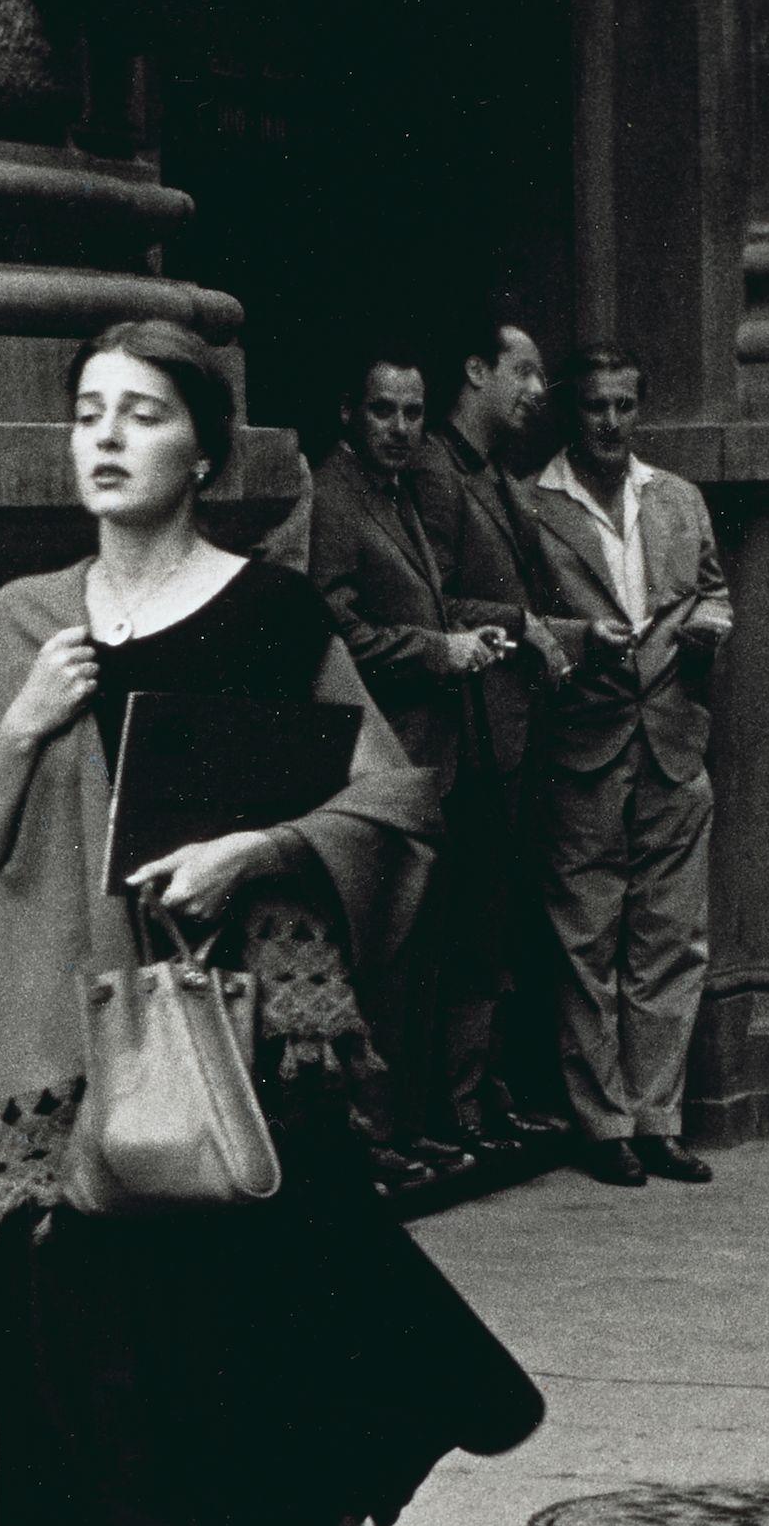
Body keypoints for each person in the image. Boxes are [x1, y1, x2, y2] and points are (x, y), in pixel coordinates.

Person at [0, 320, 544, 1526]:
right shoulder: (16, 626)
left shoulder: (270, 619)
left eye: (142, 416)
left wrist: (256, 851)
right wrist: (23, 726)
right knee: (62, 1428)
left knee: (260, 1384)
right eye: (88, 414)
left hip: (238, 1065)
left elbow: (394, 798)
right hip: (51, 1076)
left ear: (207, 451)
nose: (106, 438)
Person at [301, 344, 529, 1180]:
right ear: (349, 416)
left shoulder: (394, 493)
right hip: (382, 761)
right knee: (387, 955)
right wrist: (439, 650)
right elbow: (335, 629)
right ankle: (375, 1138)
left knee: (427, 950)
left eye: (411, 413)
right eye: (383, 411)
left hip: (435, 758)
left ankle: (410, 1128)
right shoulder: (335, 494)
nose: (400, 428)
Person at [515, 346, 732, 1186]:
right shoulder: (534, 506)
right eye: (596, 407)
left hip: (675, 739)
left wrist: (713, 623)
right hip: (583, 742)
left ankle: (658, 1118)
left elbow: (711, 589)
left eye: (624, 407)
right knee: (586, 939)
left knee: (672, 939)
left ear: (641, 410)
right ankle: (601, 1122)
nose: (610, 423)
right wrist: (575, 641)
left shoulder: (677, 498)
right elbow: (518, 615)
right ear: (574, 412)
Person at [433, 321, 578, 1146]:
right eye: (523, 373)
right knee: (472, 927)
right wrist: (524, 624)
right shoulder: (434, 467)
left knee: (498, 925)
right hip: (469, 736)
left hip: (514, 732)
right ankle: (459, 1105)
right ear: (476, 368)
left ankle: (486, 1093)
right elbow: (432, 599)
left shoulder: (494, 473)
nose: (534, 393)